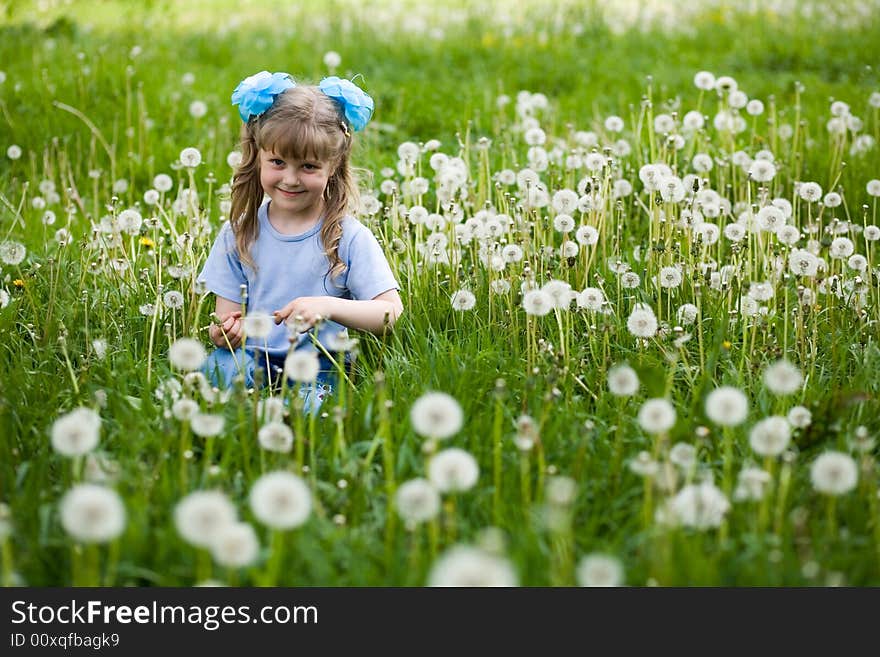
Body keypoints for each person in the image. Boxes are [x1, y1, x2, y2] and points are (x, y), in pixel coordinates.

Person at [198, 71, 403, 413]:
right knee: (214, 371)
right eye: (277, 162)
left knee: (310, 410)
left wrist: (327, 306)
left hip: (320, 362)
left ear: (333, 166)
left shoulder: (348, 237)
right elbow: (225, 318)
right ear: (258, 156)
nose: (290, 179)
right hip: (253, 354)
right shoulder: (239, 234)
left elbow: (390, 311)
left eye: (308, 166)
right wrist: (225, 334)